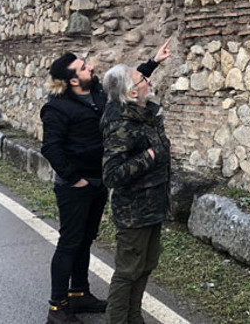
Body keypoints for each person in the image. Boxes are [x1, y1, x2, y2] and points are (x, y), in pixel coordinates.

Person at [41, 39, 172, 324]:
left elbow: (124, 84)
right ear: (73, 80)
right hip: (74, 186)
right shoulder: (58, 108)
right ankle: (57, 306)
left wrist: (152, 63)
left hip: (97, 182)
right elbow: (50, 148)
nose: (90, 67)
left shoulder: (98, 93)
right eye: (83, 67)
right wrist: (75, 180)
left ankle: (79, 293)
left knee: (86, 239)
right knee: (70, 242)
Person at [100, 63, 172, 324]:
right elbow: (112, 174)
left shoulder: (142, 114)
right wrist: (149, 156)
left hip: (152, 206)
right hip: (133, 212)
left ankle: (133, 316)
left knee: (145, 265)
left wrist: (153, 60)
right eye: (143, 78)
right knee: (128, 271)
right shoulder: (121, 124)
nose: (148, 81)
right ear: (131, 93)